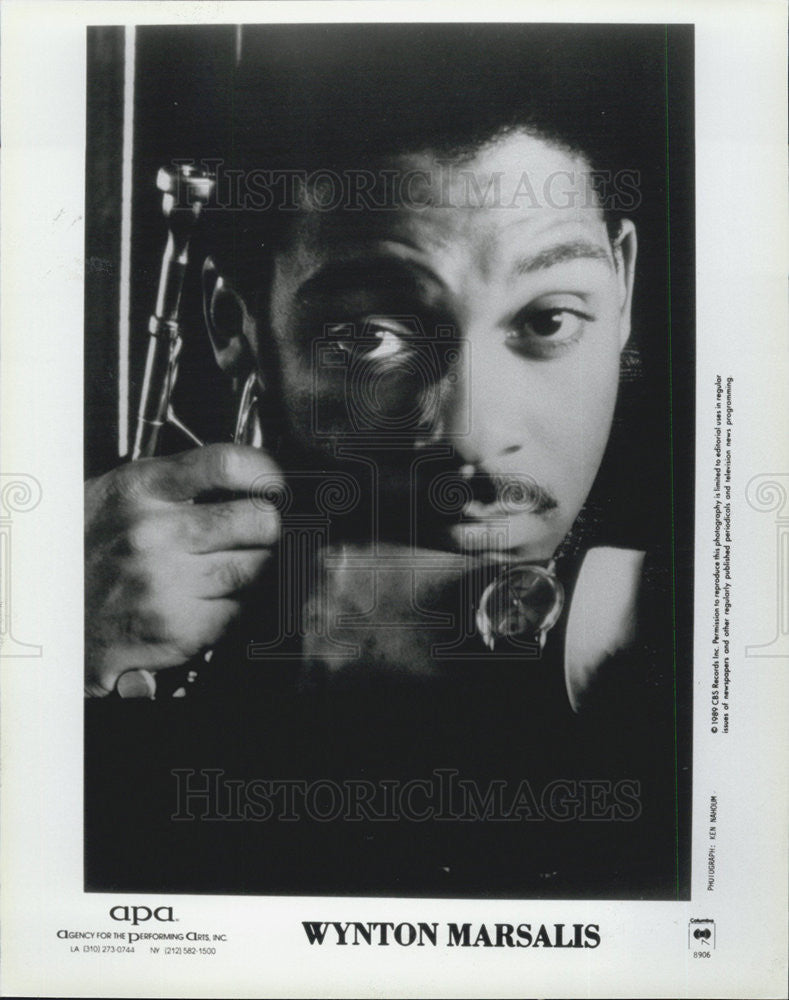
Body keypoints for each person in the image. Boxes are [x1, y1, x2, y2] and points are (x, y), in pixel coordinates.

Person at [84, 24, 689, 896]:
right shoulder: (104, 616)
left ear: (622, 292)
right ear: (236, 331)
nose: (476, 436)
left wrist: (445, 622)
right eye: (368, 336)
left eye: (547, 319)